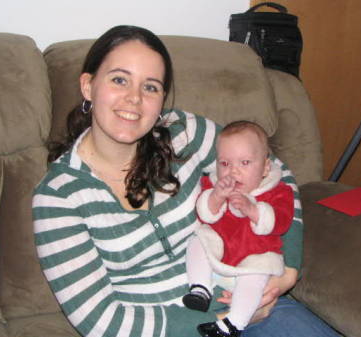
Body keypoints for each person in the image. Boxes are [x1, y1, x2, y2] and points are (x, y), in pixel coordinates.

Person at [32, 25, 340, 337]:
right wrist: (222, 321)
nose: (134, 99)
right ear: (88, 86)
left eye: (150, 87)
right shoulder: (58, 198)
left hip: (245, 291)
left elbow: (275, 172)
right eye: (119, 79)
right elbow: (102, 321)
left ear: (162, 98)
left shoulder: (184, 134)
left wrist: (287, 271)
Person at [183, 121, 295, 337]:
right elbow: (203, 212)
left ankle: (233, 323)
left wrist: (253, 210)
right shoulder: (214, 184)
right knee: (198, 239)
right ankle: (199, 289)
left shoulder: (278, 191)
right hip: (219, 254)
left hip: (253, 260)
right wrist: (215, 197)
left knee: (258, 270)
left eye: (244, 163)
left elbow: (282, 221)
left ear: (265, 167)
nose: (233, 171)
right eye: (224, 163)